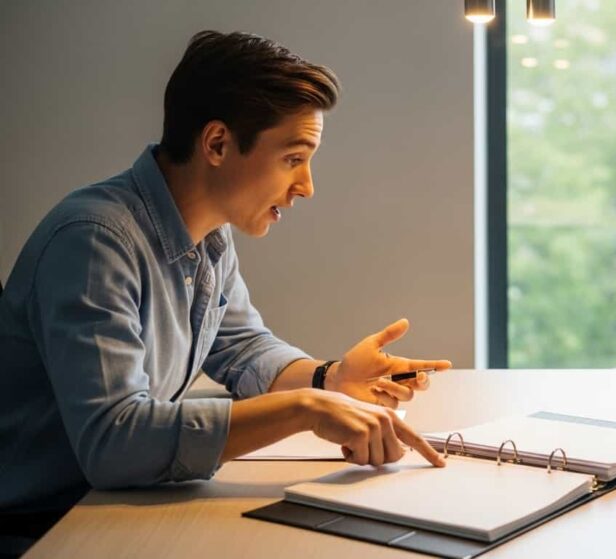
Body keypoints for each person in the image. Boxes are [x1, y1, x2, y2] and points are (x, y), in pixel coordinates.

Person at [0, 30, 450, 540]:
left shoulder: (209, 234)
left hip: (112, 512)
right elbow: (114, 444)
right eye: (293, 158)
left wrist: (328, 379)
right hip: (43, 531)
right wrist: (303, 408)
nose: (306, 186)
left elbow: (240, 346)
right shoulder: (94, 242)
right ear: (216, 143)